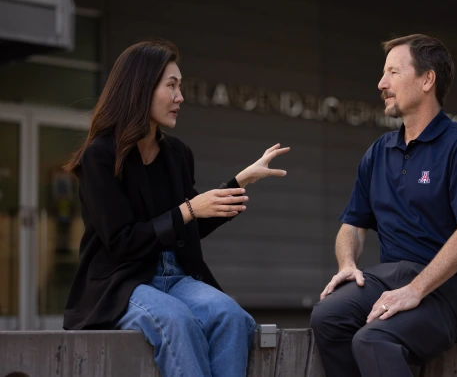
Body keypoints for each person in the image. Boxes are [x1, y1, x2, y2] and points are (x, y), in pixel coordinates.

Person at [63, 39, 290, 377]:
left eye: (180, 86)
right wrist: (188, 209)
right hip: (122, 282)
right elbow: (123, 242)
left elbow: (189, 224)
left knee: (232, 318)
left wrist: (239, 182)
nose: (180, 97)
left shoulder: (177, 154)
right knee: (177, 321)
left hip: (176, 275)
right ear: (141, 88)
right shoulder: (100, 157)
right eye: (171, 85)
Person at [310, 34, 457, 377]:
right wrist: (347, 263)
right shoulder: (378, 153)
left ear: (427, 79)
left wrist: (415, 290)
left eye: (393, 72)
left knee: (372, 340)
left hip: (451, 287)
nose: (381, 84)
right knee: (327, 315)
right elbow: (353, 224)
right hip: (390, 277)